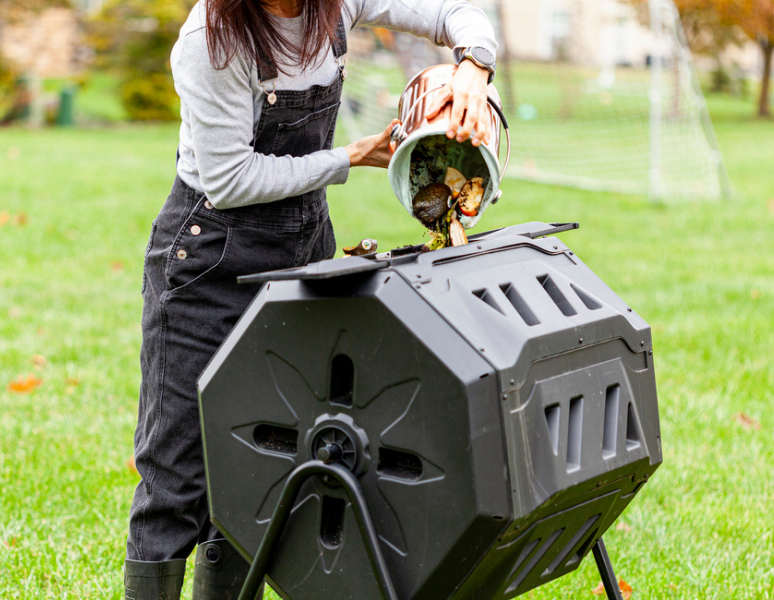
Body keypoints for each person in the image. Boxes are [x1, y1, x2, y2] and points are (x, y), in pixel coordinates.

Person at [124, 0, 498, 598]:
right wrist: (350, 156)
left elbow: (456, 11)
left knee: (263, 466)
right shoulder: (209, 38)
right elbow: (229, 180)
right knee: (178, 480)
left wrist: (474, 67)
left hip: (303, 256)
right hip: (210, 267)